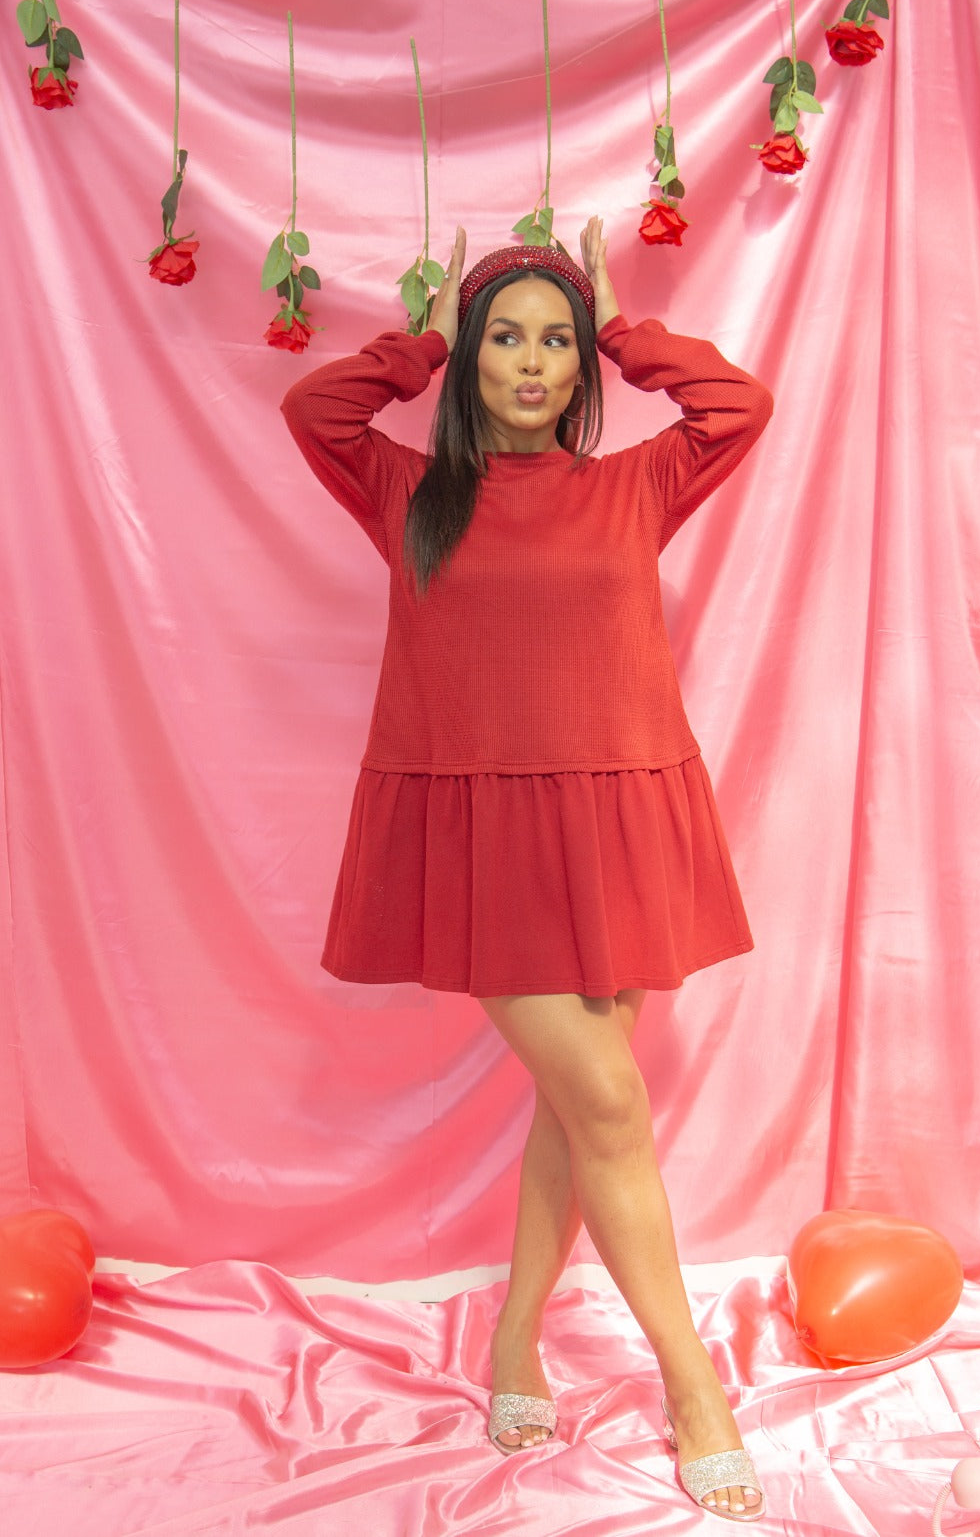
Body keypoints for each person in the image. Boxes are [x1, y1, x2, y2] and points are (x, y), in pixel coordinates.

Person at [281, 218, 773, 1520]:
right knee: (606, 1102)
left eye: (558, 341)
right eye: (506, 336)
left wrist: (624, 325)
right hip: (488, 841)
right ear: (471, 355)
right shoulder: (407, 491)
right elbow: (314, 407)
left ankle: (514, 1338)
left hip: (616, 820)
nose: (534, 361)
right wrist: (423, 339)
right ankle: (691, 1385)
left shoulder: (635, 484)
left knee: (579, 1107)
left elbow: (738, 404)